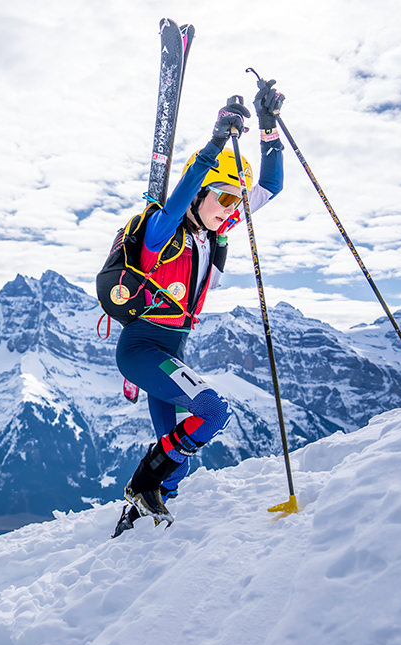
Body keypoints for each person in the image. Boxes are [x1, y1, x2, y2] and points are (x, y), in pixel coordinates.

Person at [110, 79, 286, 536]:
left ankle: (134, 525)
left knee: (179, 465)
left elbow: (271, 185)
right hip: (142, 349)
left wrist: (268, 128)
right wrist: (214, 144)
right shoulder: (162, 231)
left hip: (173, 352)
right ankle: (142, 483)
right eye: (224, 197)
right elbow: (175, 203)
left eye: (237, 201)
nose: (232, 209)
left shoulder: (215, 232)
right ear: (199, 192)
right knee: (213, 411)